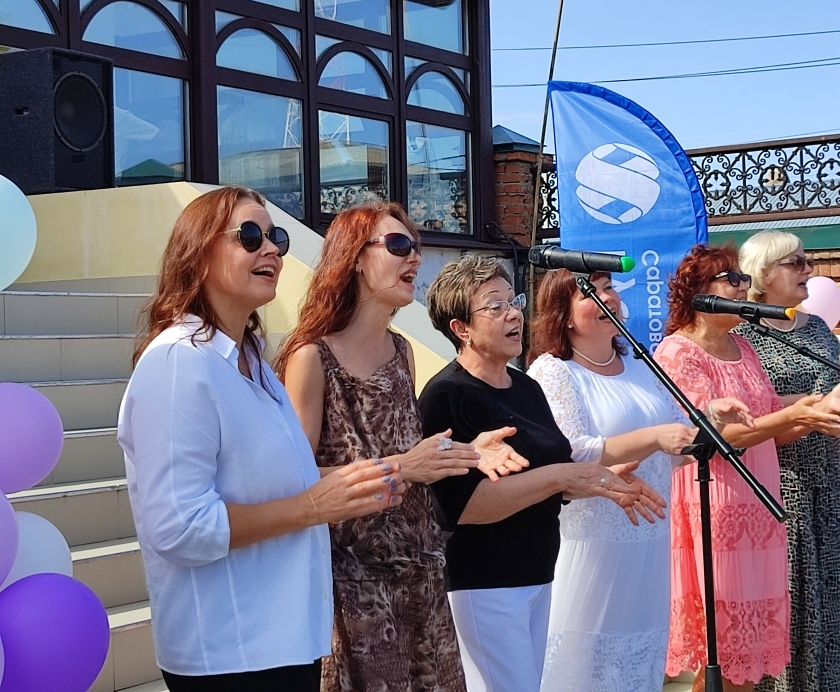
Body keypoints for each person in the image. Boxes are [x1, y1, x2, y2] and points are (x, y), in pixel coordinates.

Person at [119, 187, 404, 692]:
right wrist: (311, 507)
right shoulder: (178, 364)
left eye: (277, 238)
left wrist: (366, 481)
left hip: (283, 641)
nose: (271, 248)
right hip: (230, 653)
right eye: (250, 236)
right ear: (198, 253)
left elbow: (281, 481)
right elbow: (181, 527)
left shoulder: (251, 359)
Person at [275, 203, 525, 692]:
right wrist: (405, 467)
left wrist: (465, 451)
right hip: (353, 583)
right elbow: (296, 483)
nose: (414, 257)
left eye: (415, 246)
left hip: (421, 570)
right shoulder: (311, 357)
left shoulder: (402, 350)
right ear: (355, 258)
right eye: (398, 245)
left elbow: (409, 454)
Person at [418, 254, 667, 692]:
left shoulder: (527, 388)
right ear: (461, 328)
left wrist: (598, 481)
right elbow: (465, 507)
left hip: (537, 571)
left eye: (513, 301)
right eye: (495, 306)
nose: (514, 313)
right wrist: (562, 478)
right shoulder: (447, 395)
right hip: (486, 581)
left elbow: (553, 475)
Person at [526, 269, 754, 692]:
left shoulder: (639, 364)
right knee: (583, 668)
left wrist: (711, 420)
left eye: (609, 288)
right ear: (564, 314)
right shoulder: (553, 371)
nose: (608, 298)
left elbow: (677, 444)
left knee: (639, 666)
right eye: (591, 293)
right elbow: (570, 453)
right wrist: (651, 438)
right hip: (593, 545)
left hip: (649, 543)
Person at [653, 244, 840, 692]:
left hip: (760, 507)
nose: (741, 287)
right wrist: (794, 415)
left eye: (743, 279)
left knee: (748, 657)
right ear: (699, 292)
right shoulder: (678, 352)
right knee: (723, 654)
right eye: (731, 279)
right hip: (717, 507)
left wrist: (818, 411)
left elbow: (768, 421)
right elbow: (715, 437)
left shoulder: (744, 348)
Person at [735, 231, 840, 692]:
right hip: (777, 484)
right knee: (789, 596)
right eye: (796, 263)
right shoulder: (743, 338)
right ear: (763, 275)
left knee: (830, 592)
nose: (808, 270)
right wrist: (816, 411)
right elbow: (756, 422)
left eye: (808, 261)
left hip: (827, 479)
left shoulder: (818, 330)